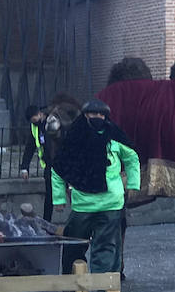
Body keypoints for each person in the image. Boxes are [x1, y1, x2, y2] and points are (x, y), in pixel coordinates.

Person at [49, 98, 139, 277]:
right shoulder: (74, 138)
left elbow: (132, 158)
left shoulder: (115, 136)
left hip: (110, 202)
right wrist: (58, 199)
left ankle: (105, 282)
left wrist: (133, 184)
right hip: (83, 204)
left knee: (106, 245)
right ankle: (72, 281)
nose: (97, 117)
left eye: (101, 114)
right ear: (84, 115)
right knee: (75, 244)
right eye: (92, 114)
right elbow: (58, 168)